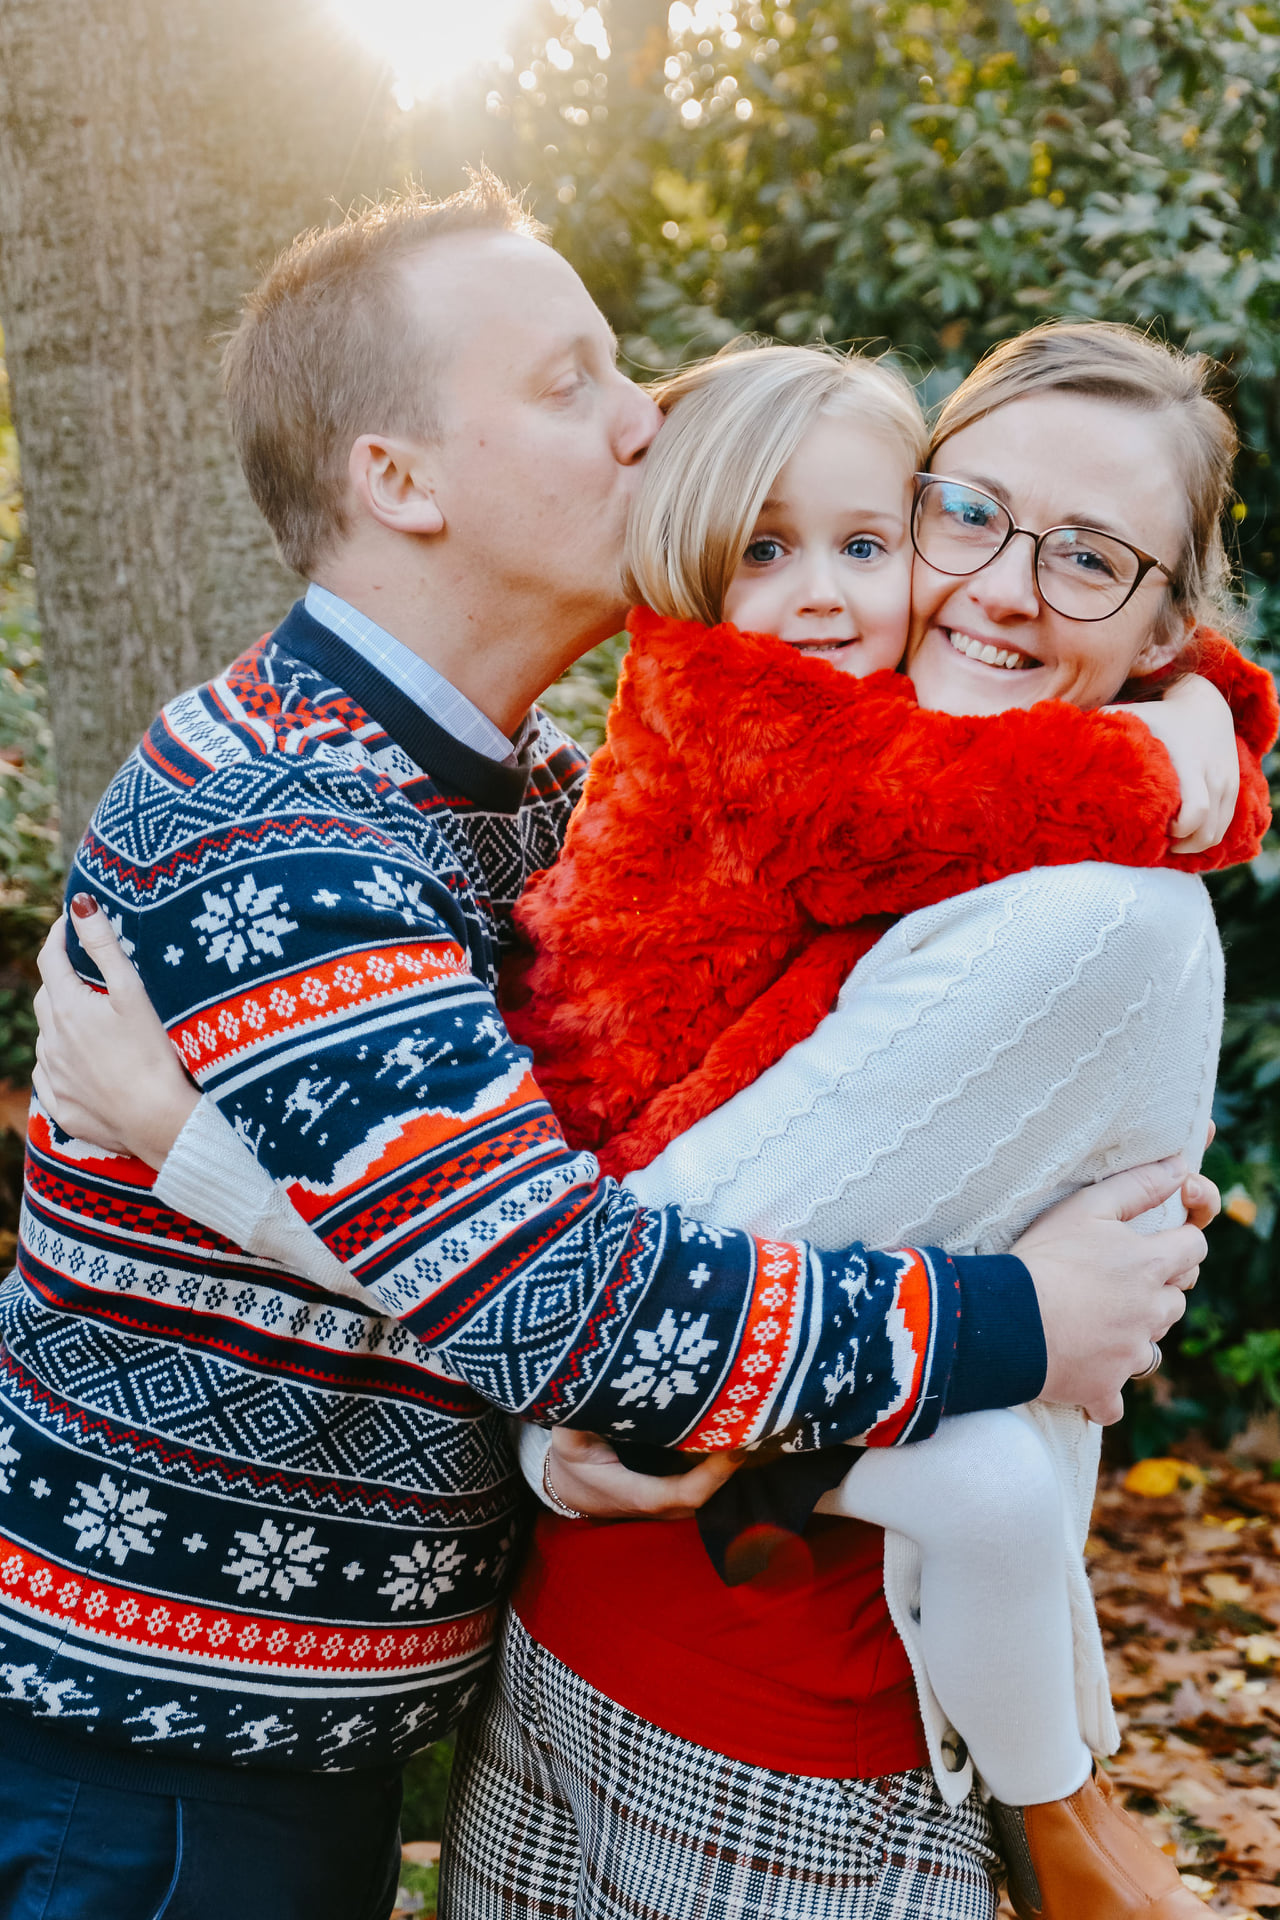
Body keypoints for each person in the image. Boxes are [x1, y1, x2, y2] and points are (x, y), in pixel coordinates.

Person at [0, 178, 1202, 1918]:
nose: (649, 415)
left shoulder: (532, 786)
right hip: (168, 1758)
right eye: (572, 383)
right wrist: (1028, 1316)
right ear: (398, 480)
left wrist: (1188, 734)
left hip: (304, 1715)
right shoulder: (290, 832)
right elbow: (556, 1299)